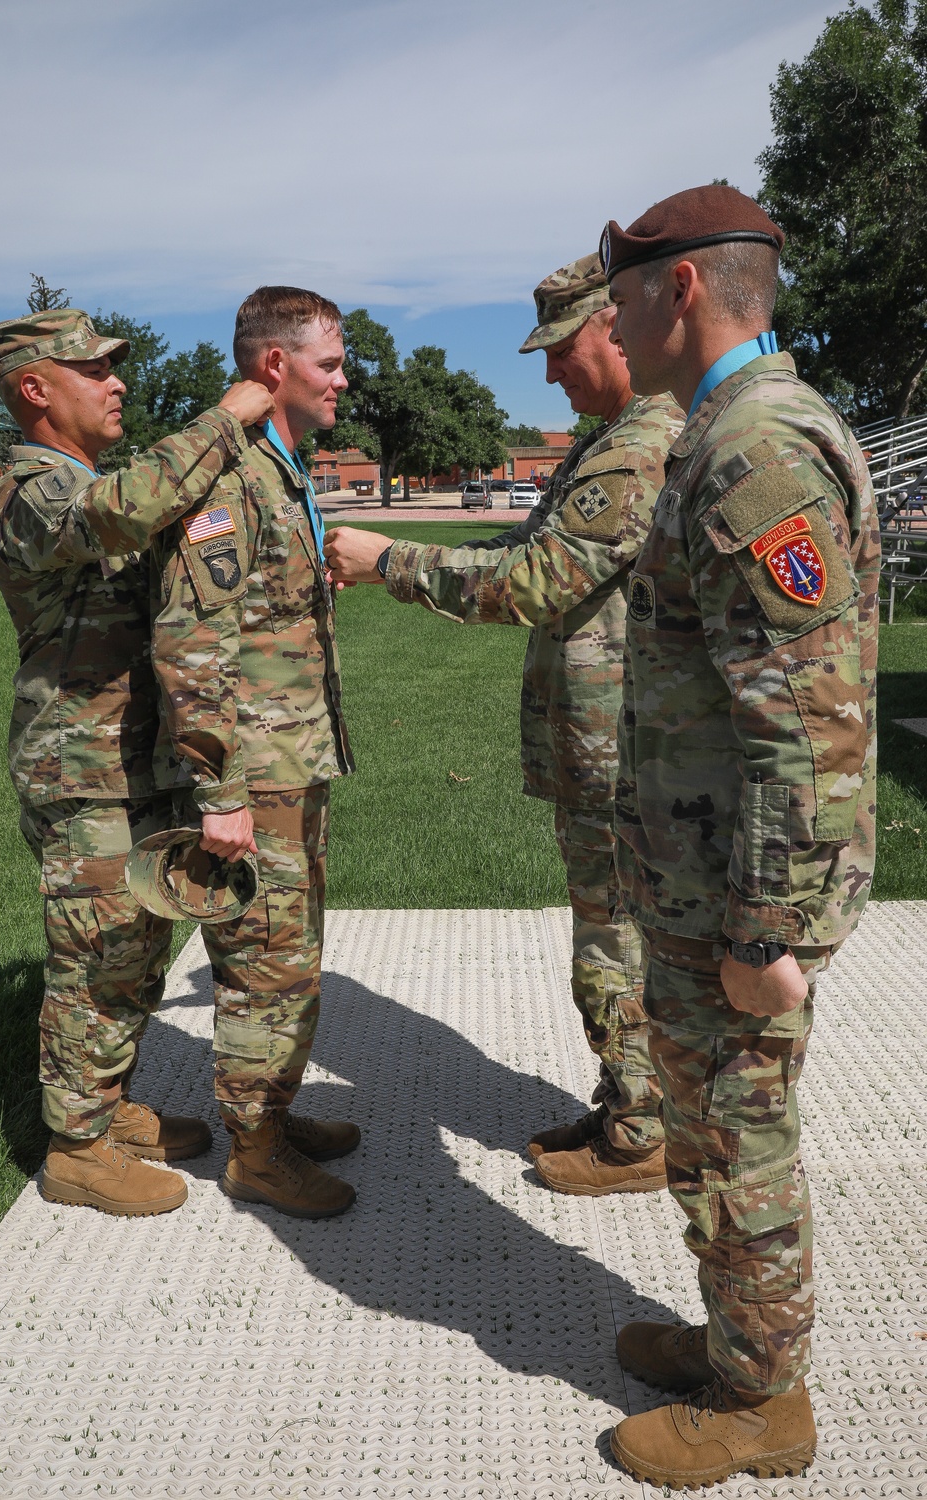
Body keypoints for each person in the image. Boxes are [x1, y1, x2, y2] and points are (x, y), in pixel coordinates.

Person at [600, 185, 879, 1487]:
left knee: (741, 1136)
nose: (608, 317)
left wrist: (770, 927)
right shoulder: (723, 430)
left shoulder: (755, 449)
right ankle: (734, 1343)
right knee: (709, 1130)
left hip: (736, 892)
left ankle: (766, 1404)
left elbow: (808, 723)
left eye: (622, 291)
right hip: (701, 874)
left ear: (682, 291)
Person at [324, 254, 683, 1197]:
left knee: (616, 942)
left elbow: (535, 582)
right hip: (602, 743)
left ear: (613, 327)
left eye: (562, 349)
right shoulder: (607, 436)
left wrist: (388, 559)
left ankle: (643, 1132)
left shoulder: (642, 440)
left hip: (625, 752)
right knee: (614, 935)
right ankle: (629, 1102)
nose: (552, 372)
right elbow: (525, 547)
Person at [0, 308, 275, 1217]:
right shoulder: (31, 489)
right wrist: (226, 416)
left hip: (131, 765)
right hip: (82, 773)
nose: (118, 384)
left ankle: (107, 1110)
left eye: (116, 369)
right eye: (94, 371)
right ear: (36, 388)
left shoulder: (84, 479)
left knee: (138, 948)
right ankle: (75, 1149)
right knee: (94, 955)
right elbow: (122, 511)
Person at [147, 285, 357, 1220]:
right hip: (255, 776)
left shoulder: (282, 466)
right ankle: (254, 1151)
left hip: (291, 764)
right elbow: (189, 640)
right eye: (329, 363)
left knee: (290, 957)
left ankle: (271, 1110)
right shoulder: (231, 482)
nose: (344, 380)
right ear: (275, 367)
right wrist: (220, 791)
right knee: (263, 962)